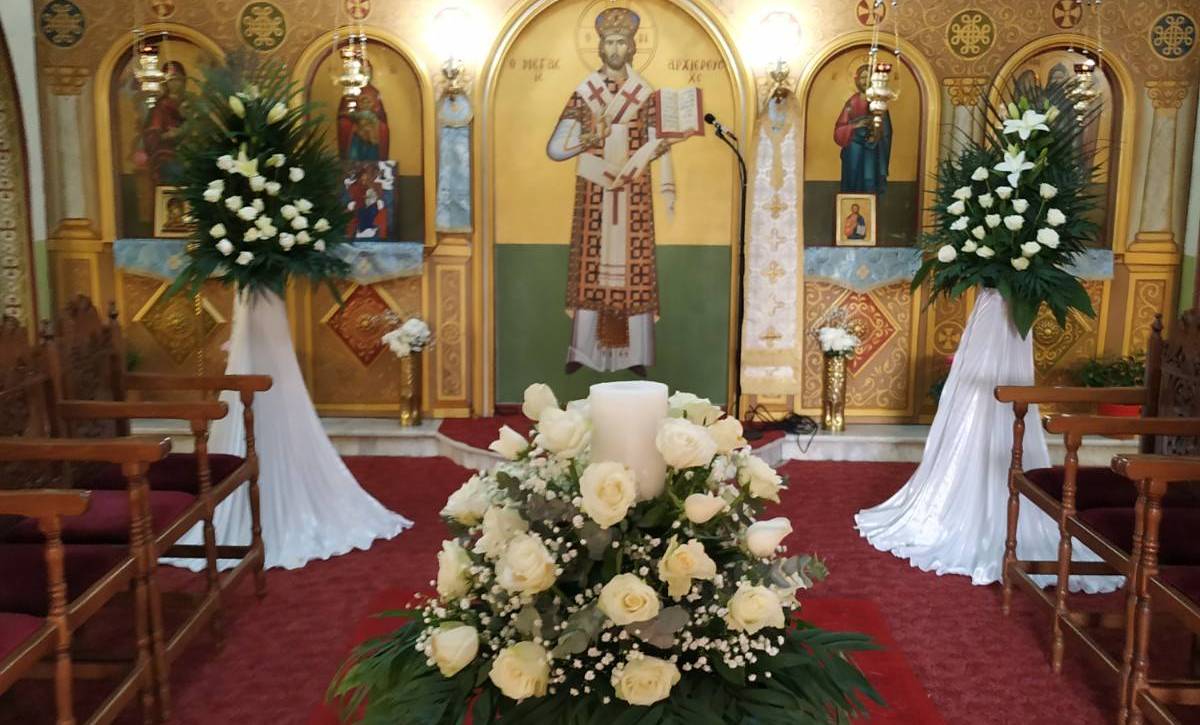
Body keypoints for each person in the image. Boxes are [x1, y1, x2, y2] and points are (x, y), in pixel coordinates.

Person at [545, 7, 695, 375]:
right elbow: (555, 149)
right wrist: (584, 141)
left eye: (621, 42)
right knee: (591, 269)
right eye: (609, 42)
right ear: (600, 47)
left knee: (634, 271)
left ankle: (636, 356)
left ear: (631, 48)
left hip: (632, 191)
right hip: (595, 192)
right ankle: (582, 352)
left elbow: (654, 139)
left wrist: (661, 146)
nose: (615, 49)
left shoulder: (644, 94)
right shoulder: (585, 93)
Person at [834, 64, 891, 194]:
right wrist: (855, 126)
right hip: (853, 150)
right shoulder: (851, 103)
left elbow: (886, 131)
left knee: (869, 181)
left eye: (869, 78)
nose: (865, 81)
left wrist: (876, 134)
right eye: (863, 77)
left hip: (873, 149)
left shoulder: (879, 102)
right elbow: (839, 130)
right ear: (857, 80)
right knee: (852, 182)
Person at [338, 63, 389, 161]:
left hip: (372, 132)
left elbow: (381, 116)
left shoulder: (374, 92)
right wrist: (355, 118)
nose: (366, 75)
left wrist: (373, 117)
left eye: (368, 72)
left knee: (381, 129)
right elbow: (343, 113)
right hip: (356, 131)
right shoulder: (350, 92)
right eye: (363, 72)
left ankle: (374, 163)